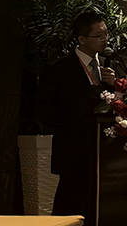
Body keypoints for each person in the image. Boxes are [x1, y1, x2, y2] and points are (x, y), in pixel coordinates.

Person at [36, 12, 115, 226]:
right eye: (99, 35)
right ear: (81, 39)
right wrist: (69, 117)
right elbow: (42, 107)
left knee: (97, 207)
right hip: (73, 149)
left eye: (106, 33)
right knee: (69, 205)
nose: (105, 39)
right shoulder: (59, 67)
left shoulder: (108, 66)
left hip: (102, 150)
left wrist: (115, 85)